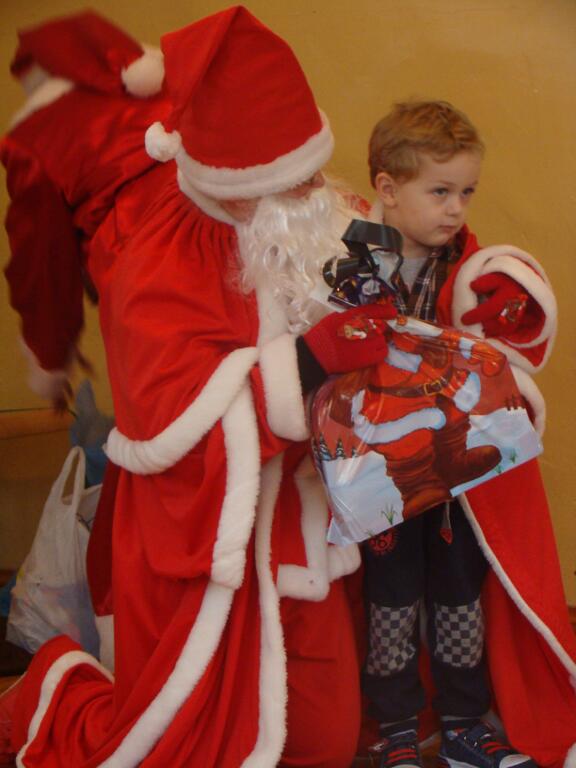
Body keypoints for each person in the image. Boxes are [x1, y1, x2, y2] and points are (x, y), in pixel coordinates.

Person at [0, 7, 400, 766]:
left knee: (323, 737)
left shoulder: (251, 141)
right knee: (180, 741)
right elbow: (168, 416)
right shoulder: (152, 259)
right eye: (293, 184)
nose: (315, 192)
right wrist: (314, 359)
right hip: (201, 522)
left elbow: (329, 240)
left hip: (295, 514)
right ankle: (48, 691)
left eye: (313, 172)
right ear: (236, 184)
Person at [358, 100, 576, 768]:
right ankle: (396, 731)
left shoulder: (473, 270)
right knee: (390, 599)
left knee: (460, 595)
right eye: (440, 191)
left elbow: (511, 345)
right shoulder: (352, 265)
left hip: (459, 478)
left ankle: (462, 725)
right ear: (388, 188)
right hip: (381, 477)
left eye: (467, 192)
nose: (456, 209)